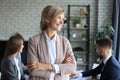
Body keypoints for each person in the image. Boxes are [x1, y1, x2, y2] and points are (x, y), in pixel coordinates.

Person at [27, 5, 76, 80]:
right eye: (59, 18)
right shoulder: (34, 41)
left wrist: (46, 67)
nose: (62, 22)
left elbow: (72, 67)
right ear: (47, 19)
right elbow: (33, 70)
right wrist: (61, 68)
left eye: (63, 19)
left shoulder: (65, 42)